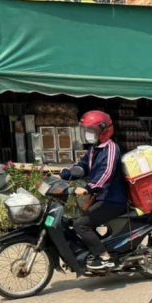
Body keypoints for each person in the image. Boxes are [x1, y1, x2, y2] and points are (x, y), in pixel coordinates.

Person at [61, 111, 128, 270]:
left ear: (104, 130)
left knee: (80, 224)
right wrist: (68, 173)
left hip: (113, 200)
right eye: (86, 130)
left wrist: (88, 188)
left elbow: (106, 174)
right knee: (73, 220)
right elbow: (83, 166)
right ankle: (94, 249)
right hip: (101, 197)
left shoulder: (111, 149)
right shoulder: (94, 149)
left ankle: (104, 257)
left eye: (91, 130)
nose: (88, 134)